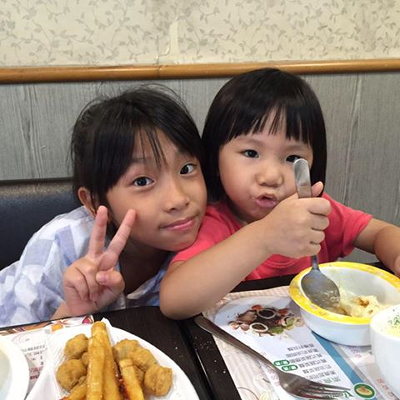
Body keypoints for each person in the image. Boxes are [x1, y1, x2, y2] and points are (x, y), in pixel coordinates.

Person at [160, 68, 400, 319]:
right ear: (215, 159)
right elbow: (174, 301)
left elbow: (380, 233)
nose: (271, 176)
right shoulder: (215, 224)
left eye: (292, 158)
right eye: (251, 153)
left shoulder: (314, 211)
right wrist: (264, 237)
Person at [0, 87, 207, 327]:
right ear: (94, 202)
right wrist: (70, 313)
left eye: (187, 169)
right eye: (142, 181)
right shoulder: (62, 246)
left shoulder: (210, 232)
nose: (179, 199)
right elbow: (14, 343)